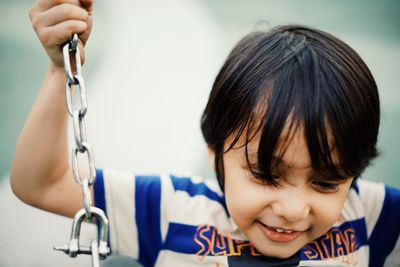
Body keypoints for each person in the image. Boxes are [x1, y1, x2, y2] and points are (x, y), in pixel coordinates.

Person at [10, 0, 400, 266]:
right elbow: (42, 184)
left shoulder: (368, 216)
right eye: (266, 174)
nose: (293, 209)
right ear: (215, 152)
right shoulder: (171, 213)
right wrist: (62, 69)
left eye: (326, 182)